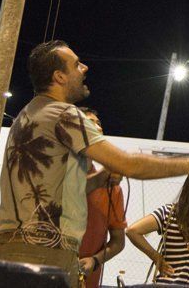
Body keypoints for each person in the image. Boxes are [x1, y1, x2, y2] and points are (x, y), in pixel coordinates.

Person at [0, 40, 189, 288]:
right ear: (59, 77)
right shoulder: (64, 114)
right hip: (45, 252)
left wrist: (101, 178)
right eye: (76, 65)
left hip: (12, 248)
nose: (85, 68)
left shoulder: (26, 115)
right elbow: (129, 165)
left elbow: (54, 187)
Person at [77, 107, 126, 288]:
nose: (97, 128)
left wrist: (95, 260)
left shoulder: (112, 189)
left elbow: (118, 241)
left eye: (99, 124)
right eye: (90, 124)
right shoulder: (54, 177)